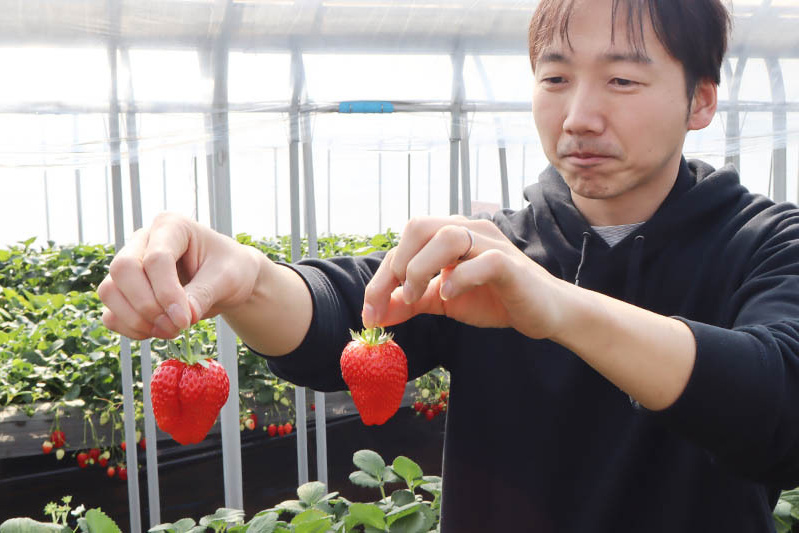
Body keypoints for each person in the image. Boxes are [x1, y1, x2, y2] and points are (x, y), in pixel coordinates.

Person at [97, 0, 799, 530]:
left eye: (620, 79)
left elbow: (778, 406)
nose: (578, 115)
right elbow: (343, 317)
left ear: (700, 99)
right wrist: (250, 277)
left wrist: (556, 307)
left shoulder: (764, 243)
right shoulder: (494, 249)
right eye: (553, 77)